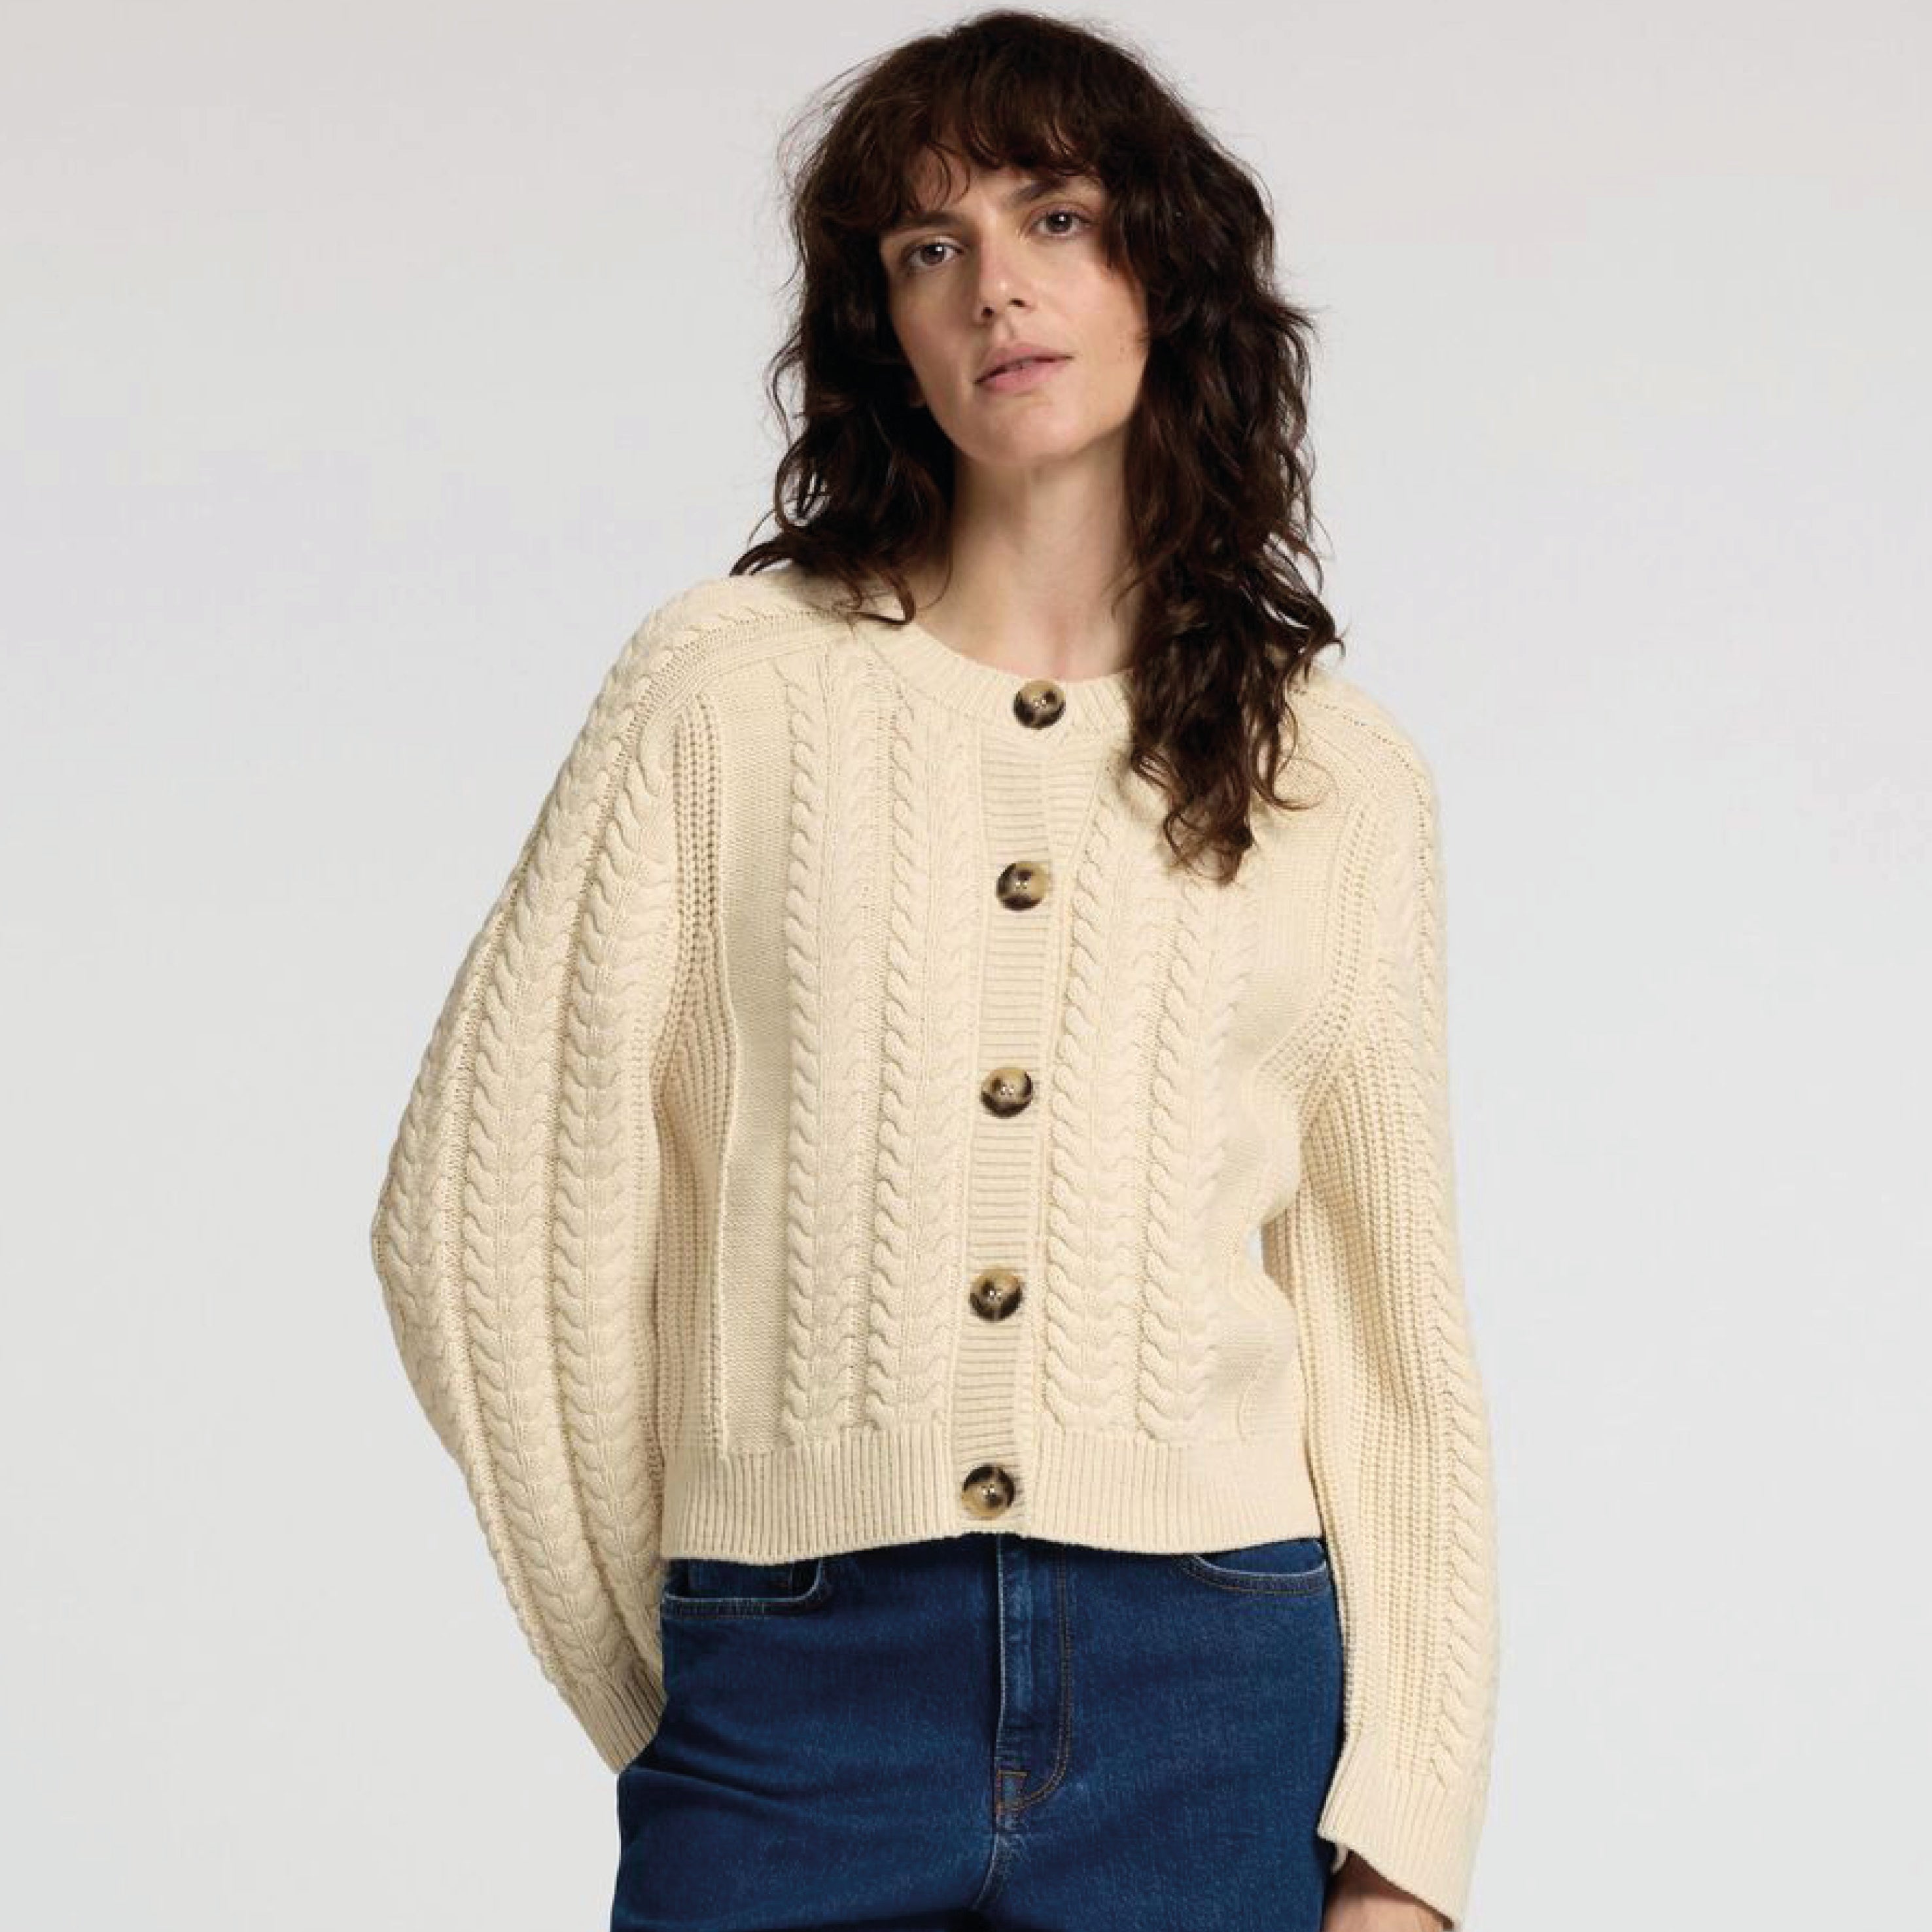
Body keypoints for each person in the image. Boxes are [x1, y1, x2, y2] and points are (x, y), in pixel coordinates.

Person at [369, 12, 1500, 1931]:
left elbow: (1390, 1333)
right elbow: (479, 1215)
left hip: (1214, 1689)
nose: (996, 286)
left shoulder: (1338, 775)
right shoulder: (724, 697)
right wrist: (674, 1663)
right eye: (927, 246)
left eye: (1055, 217)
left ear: (1165, 270)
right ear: (881, 324)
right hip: (793, 1690)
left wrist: (1408, 1842)